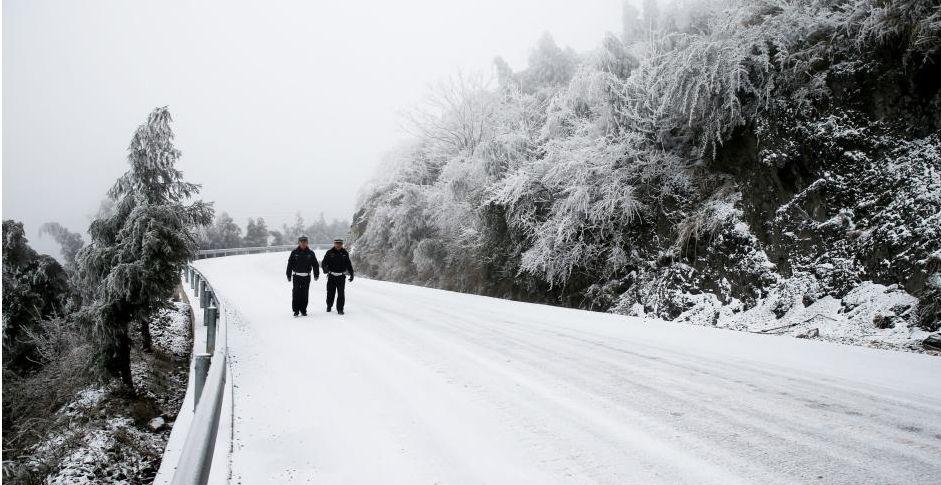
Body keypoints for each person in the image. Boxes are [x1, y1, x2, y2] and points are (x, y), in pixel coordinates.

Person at [285, 235, 320, 316]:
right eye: (302, 242)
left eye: (305, 242)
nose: (303, 243)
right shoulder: (294, 252)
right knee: (296, 293)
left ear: (307, 243)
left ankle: (303, 310)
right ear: (299, 242)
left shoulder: (311, 253)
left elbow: (315, 265)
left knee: (304, 294)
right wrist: (288, 275)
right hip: (297, 276)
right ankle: (296, 310)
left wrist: (316, 274)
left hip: (307, 277)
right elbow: (290, 264)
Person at [321, 238, 354, 315]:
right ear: (334, 244)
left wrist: (352, 274)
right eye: (337, 243)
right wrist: (325, 270)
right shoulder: (329, 252)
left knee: (341, 294)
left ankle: (340, 309)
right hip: (331, 276)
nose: (338, 245)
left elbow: (349, 264)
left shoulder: (345, 253)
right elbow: (324, 263)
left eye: (340, 244)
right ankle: (329, 305)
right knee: (330, 293)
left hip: (341, 277)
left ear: (342, 244)